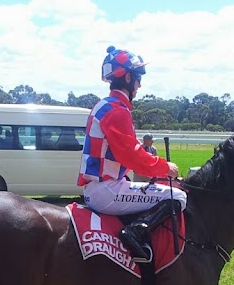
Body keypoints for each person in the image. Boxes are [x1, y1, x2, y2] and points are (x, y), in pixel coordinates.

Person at [78, 45, 185, 262]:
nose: (139, 85)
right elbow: (132, 156)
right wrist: (166, 167)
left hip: (102, 186)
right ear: (127, 78)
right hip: (105, 191)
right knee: (178, 196)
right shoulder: (117, 110)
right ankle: (136, 232)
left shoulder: (105, 105)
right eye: (137, 79)